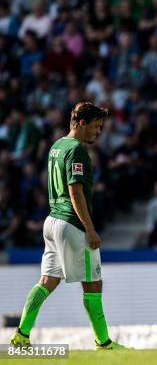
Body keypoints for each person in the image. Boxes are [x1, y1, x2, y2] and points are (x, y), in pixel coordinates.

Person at [9, 102, 129, 350]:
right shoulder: (77, 150)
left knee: (47, 281)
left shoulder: (57, 146)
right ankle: (104, 342)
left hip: (52, 222)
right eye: (96, 127)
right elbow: (75, 192)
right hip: (72, 224)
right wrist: (90, 228)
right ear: (81, 123)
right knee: (93, 283)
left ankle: (21, 334)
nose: (98, 132)